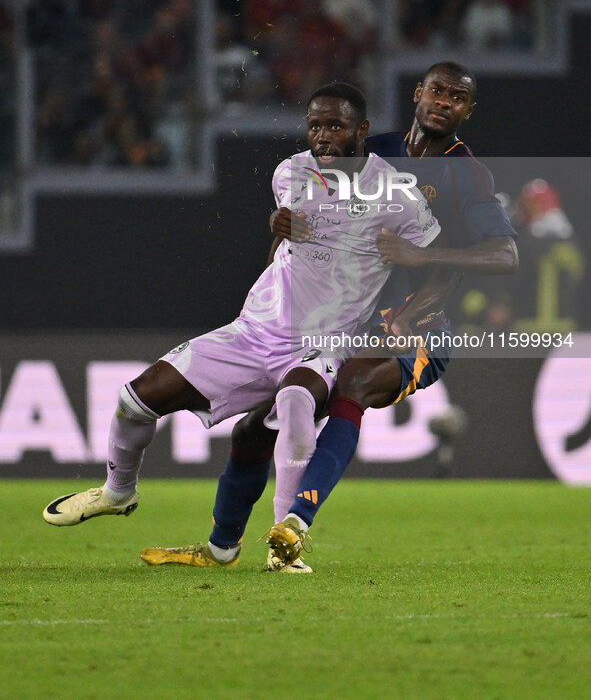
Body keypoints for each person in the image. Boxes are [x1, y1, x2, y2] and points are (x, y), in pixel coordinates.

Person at [139, 61, 518, 572]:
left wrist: (421, 258)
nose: (444, 102)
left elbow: (503, 256)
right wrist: (283, 232)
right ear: (417, 94)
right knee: (255, 429)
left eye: (457, 97)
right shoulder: (373, 150)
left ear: (468, 110)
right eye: (437, 91)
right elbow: (309, 216)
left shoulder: (465, 173)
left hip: (416, 330)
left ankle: (294, 523)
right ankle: (220, 548)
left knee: (354, 385)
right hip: (340, 324)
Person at [42, 82, 442, 568]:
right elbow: (289, 244)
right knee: (135, 399)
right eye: (314, 125)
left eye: (335, 126)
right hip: (256, 331)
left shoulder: (398, 195)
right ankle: (117, 491)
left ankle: (285, 546)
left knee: (296, 400)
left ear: (361, 131)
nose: (322, 136)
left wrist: (411, 310)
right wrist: (279, 233)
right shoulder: (290, 173)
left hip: (323, 343)